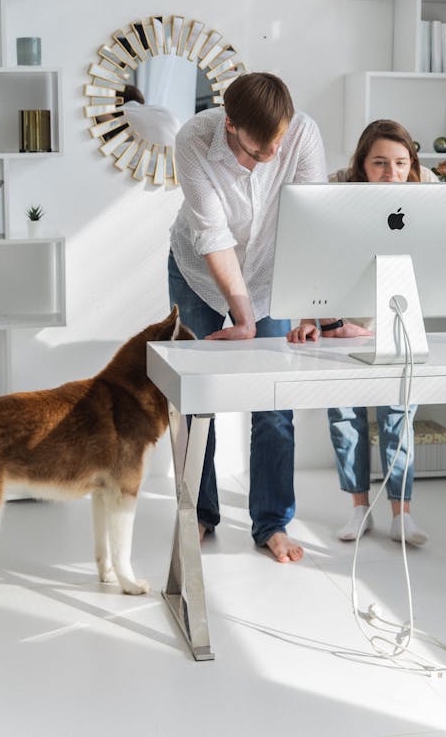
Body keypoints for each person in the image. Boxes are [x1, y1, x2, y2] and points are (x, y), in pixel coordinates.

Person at [288, 118, 446, 547]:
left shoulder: (428, 195)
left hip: (399, 320)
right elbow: (309, 251)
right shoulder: (335, 190)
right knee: (345, 419)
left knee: (398, 415)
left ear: (413, 163)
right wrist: (311, 320)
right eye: (380, 163)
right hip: (342, 327)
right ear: (361, 165)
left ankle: (402, 514)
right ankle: (358, 510)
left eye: (401, 163)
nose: (392, 173)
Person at [168, 72, 343, 563]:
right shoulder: (194, 140)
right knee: (195, 394)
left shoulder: (302, 133)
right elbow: (211, 235)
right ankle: (198, 514)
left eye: (277, 143)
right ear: (230, 124)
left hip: (272, 276)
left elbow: (314, 221)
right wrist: (240, 319)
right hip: (198, 271)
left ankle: (272, 523)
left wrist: (311, 306)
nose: (270, 155)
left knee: (273, 400)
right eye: (258, 148)